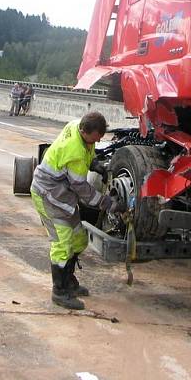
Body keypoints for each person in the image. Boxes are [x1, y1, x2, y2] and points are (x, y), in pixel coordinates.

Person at [30, 111, 125, 310]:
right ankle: (59, 291)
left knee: (79, 239)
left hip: (61, 196)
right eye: (95, 138)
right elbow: (83, 190)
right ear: (84, 131)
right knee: (62, 244)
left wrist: (94, 163)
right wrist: (108, 203)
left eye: (100, 137)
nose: (97, 142)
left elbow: (87, 151)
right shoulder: (74, 152)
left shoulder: (76, 125)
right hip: (48, 195)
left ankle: (69, 280)